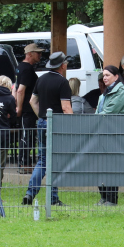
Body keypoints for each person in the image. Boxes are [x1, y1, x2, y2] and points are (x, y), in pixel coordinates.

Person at [23, 51, 72, 206]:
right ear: (62, 65)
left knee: (43, 160)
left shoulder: (41, 79)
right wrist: (72, 126)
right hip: (57, 125)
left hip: (42, 123)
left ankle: (30, 193)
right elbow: (66, 108)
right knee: (54, 161)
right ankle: (53, 198)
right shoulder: (63, 82)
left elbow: (32, 101)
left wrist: (41, 117)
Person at [95, 65, 124, 206]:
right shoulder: (103, 95)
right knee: (99, 166)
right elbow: (98, 114)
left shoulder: (121, 92)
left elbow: (108, 113)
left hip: (114, 134)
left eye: (107, 75)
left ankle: (111, 199)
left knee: (111, 167)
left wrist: (92, 121)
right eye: (103, 75)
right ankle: (103, 197)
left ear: (116, 77)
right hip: (101, 134)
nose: (104, 77)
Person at [16, 42, 45, 171]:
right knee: (26, 135)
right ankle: (24, 164)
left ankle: (25, 163)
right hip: (27, 110)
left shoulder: (20, 67)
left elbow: (15, 87)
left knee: (28, 135)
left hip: (28, 109)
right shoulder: (27, 69)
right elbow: (20, 90)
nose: (40, 55)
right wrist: (19, 108)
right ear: (30, 54)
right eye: (38, 53)